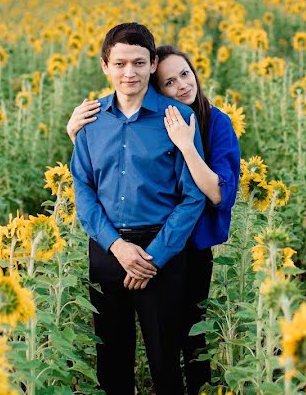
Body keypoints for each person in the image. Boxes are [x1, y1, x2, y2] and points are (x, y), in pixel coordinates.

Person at [68, 44, 240, 394]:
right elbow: (87, 181)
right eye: (169, 82)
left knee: (186, 340)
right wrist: (76, 134)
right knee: (113, 351)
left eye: (185, 75)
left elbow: (215, 194)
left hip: (181, 243)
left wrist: (188, 145)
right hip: (125, 246)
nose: (180, 86)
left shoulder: (206, 121)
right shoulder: (104, 118)